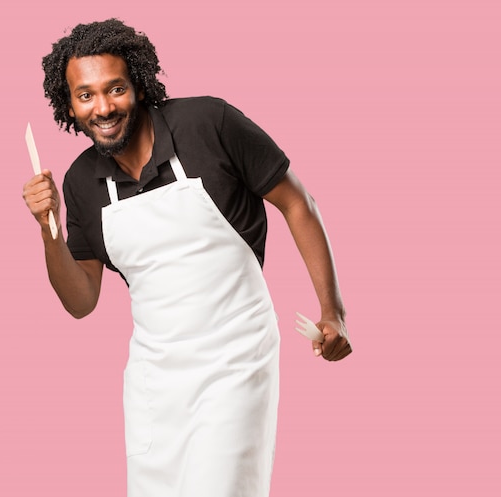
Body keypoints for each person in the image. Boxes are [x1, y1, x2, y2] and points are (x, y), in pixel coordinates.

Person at [22, 18, 351, 497]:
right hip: (155, 384)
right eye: (86, 95)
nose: (103, 108)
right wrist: (48, 231)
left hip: (235, 361)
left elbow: (297, 202)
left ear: (139, 83)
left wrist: (333, 312)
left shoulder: (208, 124)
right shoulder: (79, 182)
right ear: (69, 105)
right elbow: (81, 300)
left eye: (115, 88)